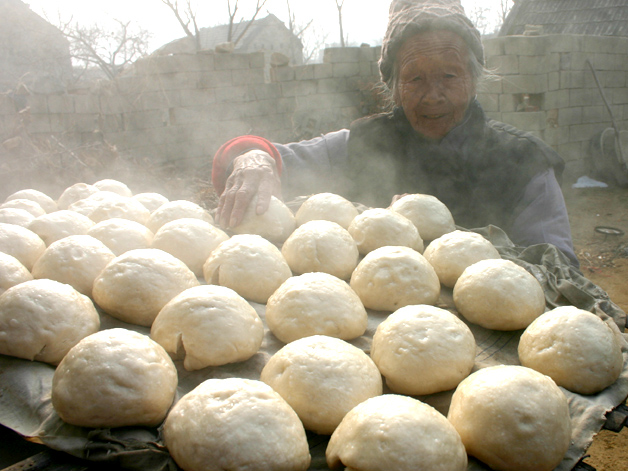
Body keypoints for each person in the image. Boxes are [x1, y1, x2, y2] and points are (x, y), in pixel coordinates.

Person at [211, 0, 578, 266]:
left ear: (473, 79)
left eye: (449, 76)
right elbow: (270, 155)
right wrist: (253, 156)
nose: (433, 95)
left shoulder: (523, 163)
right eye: (415, 78)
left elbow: (556, 268)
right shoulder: (363, 144)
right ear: (394, 87)